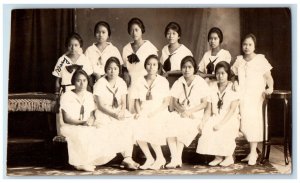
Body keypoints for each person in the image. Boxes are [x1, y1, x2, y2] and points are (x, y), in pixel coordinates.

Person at [60, 69, 139, 172]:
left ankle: (91, 161)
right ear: (73, 82)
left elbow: (92, 114)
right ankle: (79, 164)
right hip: (70, 125)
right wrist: (82, 123)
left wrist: (91, 121)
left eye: (84, 80)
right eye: (78, 80)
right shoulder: (66, 96)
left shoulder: (89, 95)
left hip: (85, 124)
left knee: (99, 131)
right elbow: (66, 119)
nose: (82, 83)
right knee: (81, 133)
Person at [231, 33, 274, 165]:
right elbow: (233, 75)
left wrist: (270, 88)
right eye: (245, 44)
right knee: (243, 123)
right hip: (242, 95)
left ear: (254, 46)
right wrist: (234, 81)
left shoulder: (260, 59)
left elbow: (268, 77)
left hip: (255, 95)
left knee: (253, 122)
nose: (247, 47)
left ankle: (253, 153)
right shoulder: (239, 60)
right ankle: (251, 152)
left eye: (250, 44)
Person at [93, 57, 140, 170]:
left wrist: (122, 111)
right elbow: (100, 105)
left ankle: (127, 157)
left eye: (115, 68)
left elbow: (124, 102)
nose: (112, 71)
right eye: (109, 68)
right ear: (105, 70)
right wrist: (114, 115)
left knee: (129, 123)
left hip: (118, 110)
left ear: (119, 70)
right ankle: (114, 158)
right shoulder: (100, 83)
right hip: (104, 112)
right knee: (111, 127)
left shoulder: (121, 82)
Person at [166, 56, 210, 168]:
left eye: (189, 67)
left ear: (194, 68)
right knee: (169, 122)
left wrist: (189, 112)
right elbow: (174, 102)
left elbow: (205, 103)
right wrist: (183, 111)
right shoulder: (178, 82)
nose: (186, 70)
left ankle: (177, 158)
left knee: (183, 125)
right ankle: (174, 158)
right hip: (181, 113)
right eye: (184, 67)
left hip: (195, 115)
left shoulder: (201, 82)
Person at [196, 61, 240, 167]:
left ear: (228, 74)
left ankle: (229, 157)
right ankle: (218, 157)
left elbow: (232, 110)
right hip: (216, 116)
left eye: (223, 73)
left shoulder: (233, 87)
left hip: (230, 118)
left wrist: (221, 123)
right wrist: (203, 121)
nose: (220, 76)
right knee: (208, 127)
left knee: (222, 129)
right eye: (218, 73)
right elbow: (208, 109)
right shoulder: (212, 87)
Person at [132, 55, 170, 170]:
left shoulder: (163, 81)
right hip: (144, 110)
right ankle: (149, 158)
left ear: (158, 66)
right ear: (145, 66)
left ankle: (160, 158)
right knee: (135, 125)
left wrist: (155, 112)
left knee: (153, 124)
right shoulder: (139, 80)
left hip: (159, 111)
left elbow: (166, 102)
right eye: (149, 64)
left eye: (154, 64)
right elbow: (137, 101)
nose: (151, 67)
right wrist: (138, 112)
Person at [52, 32, 93, 135]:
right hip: (67, 91)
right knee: (67, 118)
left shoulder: (84, 59)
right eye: (70, 45)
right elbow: (57, 80)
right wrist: (57, 95)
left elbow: (88, 79)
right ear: (67, 46)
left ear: (80, 46)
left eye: (76, 45)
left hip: (82, 91)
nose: (73, 48)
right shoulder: (61, 60)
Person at [122, 17, 158, 113]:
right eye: (132, 30)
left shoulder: (150, 48)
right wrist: (125, 73)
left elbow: (155, 68)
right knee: (131, 110)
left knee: (143, 111)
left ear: (142, 30)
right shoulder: (126, 48)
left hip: (145, 82)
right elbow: (124, 67)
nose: (134, 33)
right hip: (131, 82)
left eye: (137, 30)